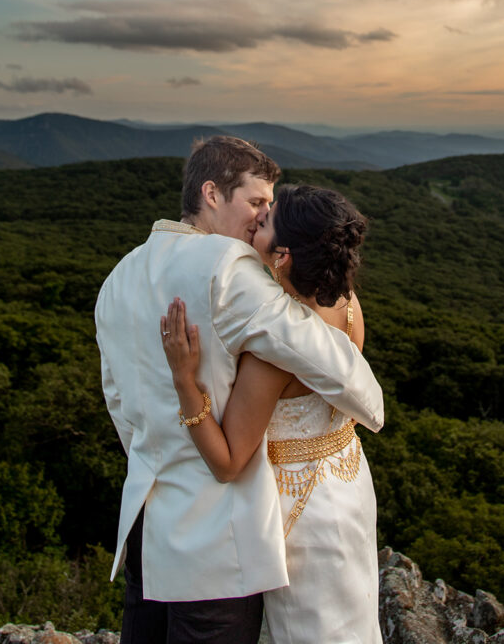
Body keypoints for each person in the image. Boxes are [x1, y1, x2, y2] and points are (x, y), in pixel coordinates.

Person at [95, 136, 383, 644]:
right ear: (211, 193)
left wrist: (155, 459)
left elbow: (119, 402)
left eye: (269, 209)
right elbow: (313, 348)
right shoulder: (230, 270)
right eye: (256, 203)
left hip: (145, 517)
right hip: (219, 538)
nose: (260, 217)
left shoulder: (116, 280)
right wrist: (369, 401)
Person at [161, 183, 383, 644]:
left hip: (300, 509)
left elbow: (227, 463)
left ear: (281, 255)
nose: (255, 220)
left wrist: (184, 380)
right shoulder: (345, 304)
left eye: (264, 222)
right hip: (349, 480)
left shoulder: (272, 355)